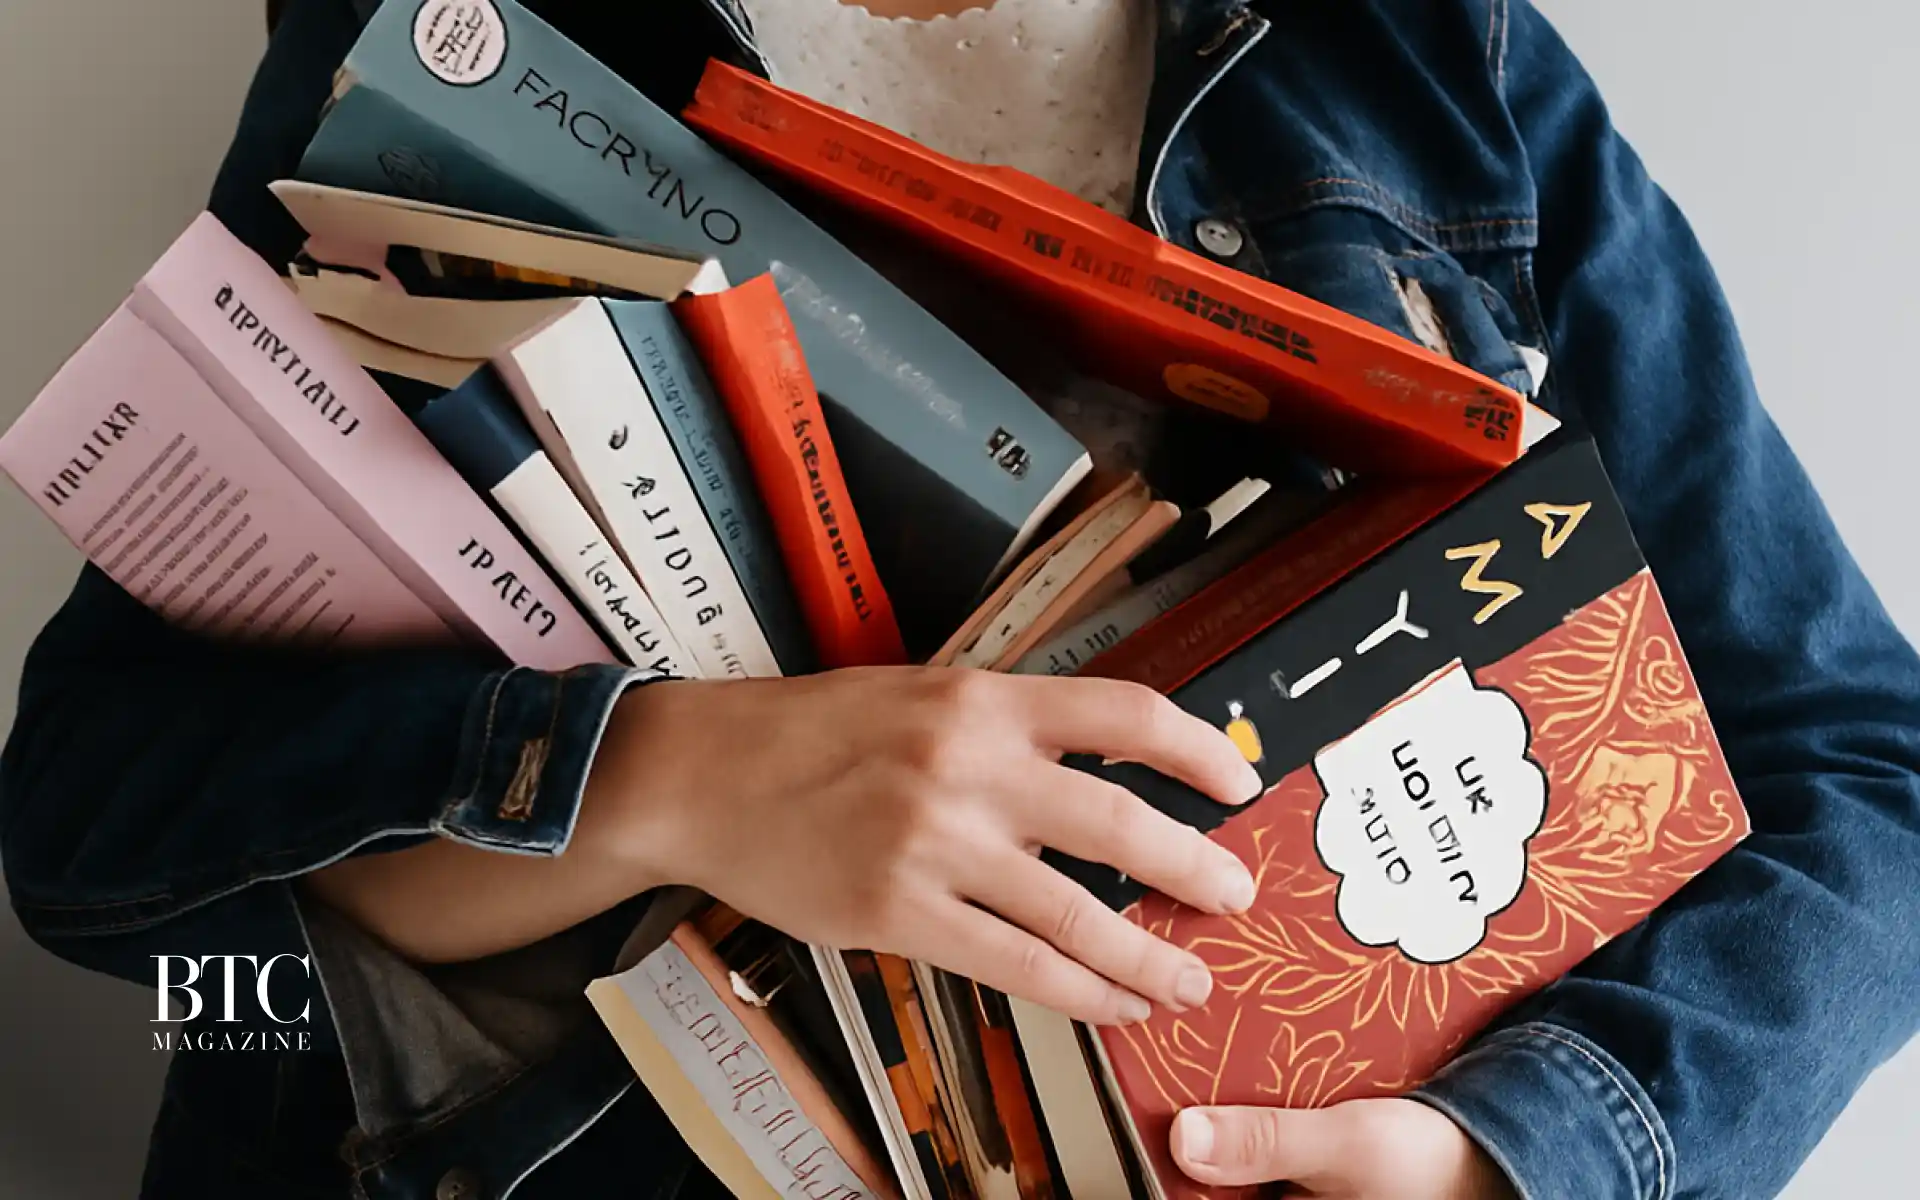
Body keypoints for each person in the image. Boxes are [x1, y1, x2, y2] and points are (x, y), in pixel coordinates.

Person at [4, 0, 1917, 1196]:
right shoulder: (470, 34)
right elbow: (95, 832)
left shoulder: (1425, 56)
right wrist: (669, 779)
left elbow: (1870, 777)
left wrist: (1517, 1156)